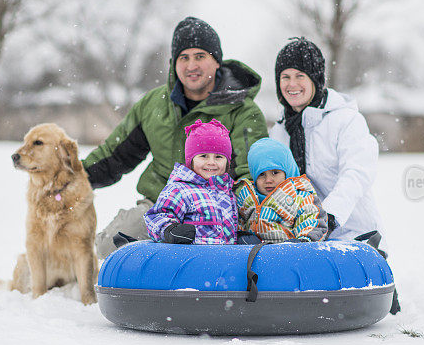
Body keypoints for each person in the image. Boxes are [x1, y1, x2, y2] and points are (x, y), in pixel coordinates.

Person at [81, 17, 267, 257]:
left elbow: (249, 170)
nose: (191, 66)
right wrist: (74, 177)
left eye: (200, 56)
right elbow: (115, 155)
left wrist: (241, 217)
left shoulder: (243, 110)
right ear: (173, 63)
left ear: (216, 61)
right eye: (184, 58)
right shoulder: (153, 104)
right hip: (162, 204)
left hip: (218, 207)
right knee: (109, 249)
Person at [268, 37, 399, 313]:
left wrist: (328, 217)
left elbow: (356, 174)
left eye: (300, 76)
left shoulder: (346, 120)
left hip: (355, 235)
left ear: (315, 79)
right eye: (285, 76)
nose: (292, 84)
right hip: (302, 241)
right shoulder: (279, 132)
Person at [144, 119, 238, 245]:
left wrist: (240, 237)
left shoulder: (227, 192)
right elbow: (155, 217)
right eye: (203, 156)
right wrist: (170, 230)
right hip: (191, 259)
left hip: (224, 261)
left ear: (227, 162)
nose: (211, 162)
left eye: (218, 157)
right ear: (191, 160)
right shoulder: (179, 189)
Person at [234, 137, 329, 243]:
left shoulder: (300, 197)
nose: (268, 180)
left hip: (288, 254)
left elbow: (312, 222)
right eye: (261, 174)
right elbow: (239, 223)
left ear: (287, 171)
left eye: (275, 172)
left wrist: (303, 242)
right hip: (255, 254)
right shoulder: (247, 197)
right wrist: (242, 238)